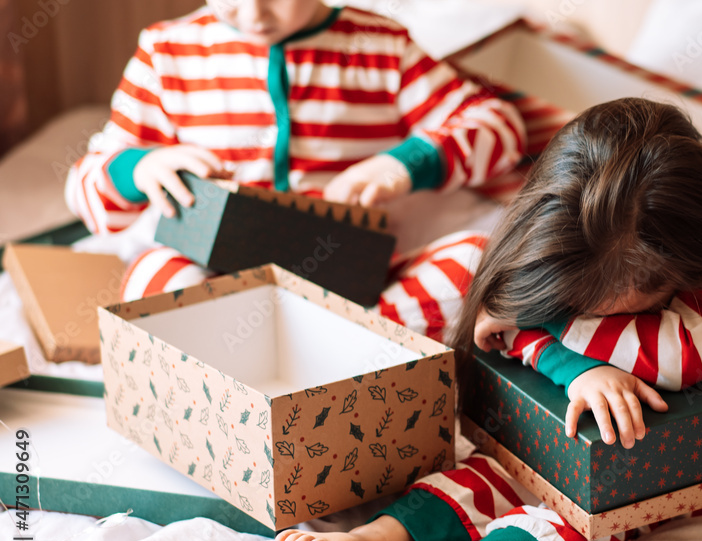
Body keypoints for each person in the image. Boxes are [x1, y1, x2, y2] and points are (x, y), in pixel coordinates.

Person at [277, 97, 702, 541]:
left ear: (682, 269)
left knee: (613, 490)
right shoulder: (588, 222)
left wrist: (533, 330)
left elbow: (673, 359)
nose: (575, 321)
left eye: (604, 319)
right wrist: (566, 361)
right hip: (666, 400)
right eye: (566, 305)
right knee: (528, 457)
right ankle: (389, 535)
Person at [65, 0, 525, 334]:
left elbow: (498, 127)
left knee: (479, 263)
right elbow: (89, 184)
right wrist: (139, 169)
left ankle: (349, 345)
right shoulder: (167, 52)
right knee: (152, 276)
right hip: (218, 285)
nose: (251, 12)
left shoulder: (381, 46)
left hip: (358, 286)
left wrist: (402, 165)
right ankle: (240, 370)